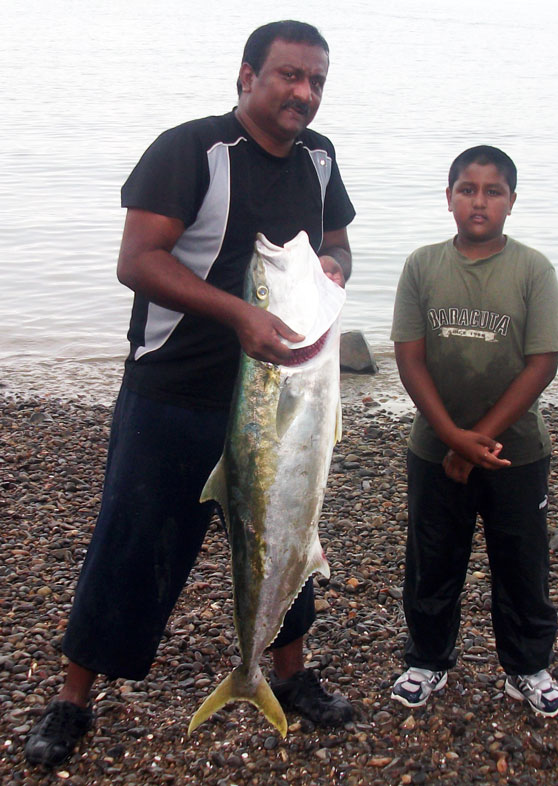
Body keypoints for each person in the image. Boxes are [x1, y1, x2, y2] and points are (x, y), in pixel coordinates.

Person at [25, 20, 355, 768]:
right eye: (288, 76)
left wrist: (335, 268)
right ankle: (73, 699)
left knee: (288, 530)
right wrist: (239, 312)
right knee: (131, 542)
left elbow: (337, 243)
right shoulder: (193, 149)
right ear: (247, 76)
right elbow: (138, 260)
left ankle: (290, 675)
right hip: (175, 390)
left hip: (286, 391)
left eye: (316, 81)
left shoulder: (322, 158)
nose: (303, 93)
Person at [389, 145, 558, 718]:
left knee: (522, 563)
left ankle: (526, 667)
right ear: (448, 198)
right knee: (433, 559)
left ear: (511, 202)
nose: (479, 201)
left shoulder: (533, 269)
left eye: (493, 191)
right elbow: (409, 358)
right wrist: (449, 438)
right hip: (432, 450)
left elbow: (542, 362)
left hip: (515, 453)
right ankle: (427, 660)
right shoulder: (422, 265)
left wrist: (477, 442)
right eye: (467, 189)